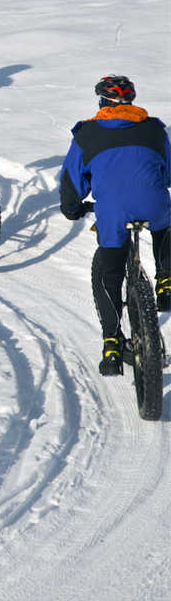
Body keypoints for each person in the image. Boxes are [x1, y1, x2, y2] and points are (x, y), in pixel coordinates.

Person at [59, 75, 171, 377]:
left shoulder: (86, 134)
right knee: (165, 223)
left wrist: (72, 209)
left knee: (108, 271)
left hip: (113, 212)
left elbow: (72, 183)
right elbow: (169, 173)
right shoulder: (155, 129)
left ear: (102, 102)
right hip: (153, 203)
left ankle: (111, 342)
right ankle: (166, 280)